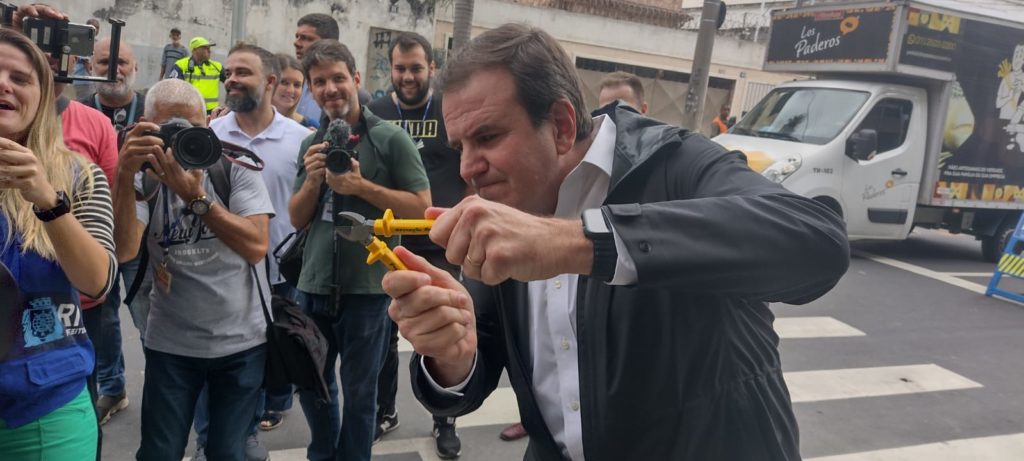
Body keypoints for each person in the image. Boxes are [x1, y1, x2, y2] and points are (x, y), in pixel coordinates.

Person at [383, 23, 850, 461]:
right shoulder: (509, 204)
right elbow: (482, 354)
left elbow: (817, 240)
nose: (467, 167)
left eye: (487, 137)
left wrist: (578, 242)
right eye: (459, 147)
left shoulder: (671, 161)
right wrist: (452, 355)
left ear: (561, 126)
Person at [112, 79, 273, 461]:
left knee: (226, 452)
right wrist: (124, 173)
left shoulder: (233, 164)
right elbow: (124, 249)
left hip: (241, 341)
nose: (180, 140)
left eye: (192, 128)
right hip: (171, 344)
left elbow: (256, 246)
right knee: (159, 452)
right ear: (146, 127)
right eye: (169, 129)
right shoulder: (141, 176)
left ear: (209, 124)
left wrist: (196, 197)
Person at [289, 39, 430, 461]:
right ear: (311, 89)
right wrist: (314, 180)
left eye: (337, 78)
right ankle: (322, 453)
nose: (330, 89)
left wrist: (360, 186)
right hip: (313, 282)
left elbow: (422, 208)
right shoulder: (310, 144)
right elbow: (296, 218)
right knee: (312, 384)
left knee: (360, 391)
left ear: (355, 79)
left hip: (369, 288)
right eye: (319, 82)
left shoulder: (391, 138)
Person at [0, 27, 116, 460]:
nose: (4, 85)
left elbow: (97, 282)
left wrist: (48, 201)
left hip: (44, 411)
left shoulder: (78, 174)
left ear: (43, 97)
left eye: (20, 78)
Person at [195, 42, 310, 458]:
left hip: (280, 274)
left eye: (242, 72)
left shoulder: (302, 140)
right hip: (222, 275)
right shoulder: (210, 136)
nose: (232, 80)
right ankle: (210, 438)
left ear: (270, 81)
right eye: (228, 73)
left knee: (261, 362)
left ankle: (247, 430)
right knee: (214, 364)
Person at [365, 31, 465, 459]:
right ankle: (385, 411)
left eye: (417, 68)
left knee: (440, 331)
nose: (408, 76)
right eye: (400, 68)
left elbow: (469, 170)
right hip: (388, 242)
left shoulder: (448, 109)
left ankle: (445, 418)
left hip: (441, 242)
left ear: (432, 68)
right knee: (385, 335)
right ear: (391, 69)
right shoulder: (377, 113)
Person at [76, 36, 145, 427]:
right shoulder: (79, 111)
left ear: (135, 68)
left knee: (148, 315)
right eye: (105, 62)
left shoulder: (151, 109)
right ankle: (113, 386)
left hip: (139, 232)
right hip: (91, 233)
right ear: (90, 67)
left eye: (122, 62)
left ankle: (167, 387)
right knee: (102, 319)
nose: (114, 70)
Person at [292, 13, 371, 122]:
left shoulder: (359, 97)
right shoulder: (289, 84)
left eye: (307, 38)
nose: (296, 43)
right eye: (297, 37)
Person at [167, 37, 224, 113]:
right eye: (205, 48)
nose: (209, 51)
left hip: (212, 113)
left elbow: (232, 83)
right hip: (189, 112)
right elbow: (173, 89)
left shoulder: (217, 67)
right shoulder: (181, 65)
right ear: (195, 50)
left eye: (209, 48)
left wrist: (228, 106)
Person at [273, 53, 318, 129]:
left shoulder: (310, 125)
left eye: (297, 85)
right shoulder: (252, 121)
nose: (290, 90)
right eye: (284, 82)